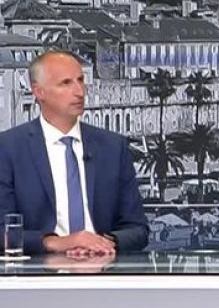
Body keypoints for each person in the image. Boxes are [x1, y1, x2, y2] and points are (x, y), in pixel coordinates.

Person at [0, 50, 149, 256]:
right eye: (66, 83)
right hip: (39, 269)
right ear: (39, 92)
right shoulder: (8, 148)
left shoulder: (113, 147)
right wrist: (56, 243)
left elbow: (138, 228)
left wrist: (103, 243)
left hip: (102, 263)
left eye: (80, 80)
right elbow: (3, 230)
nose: (79, 91)